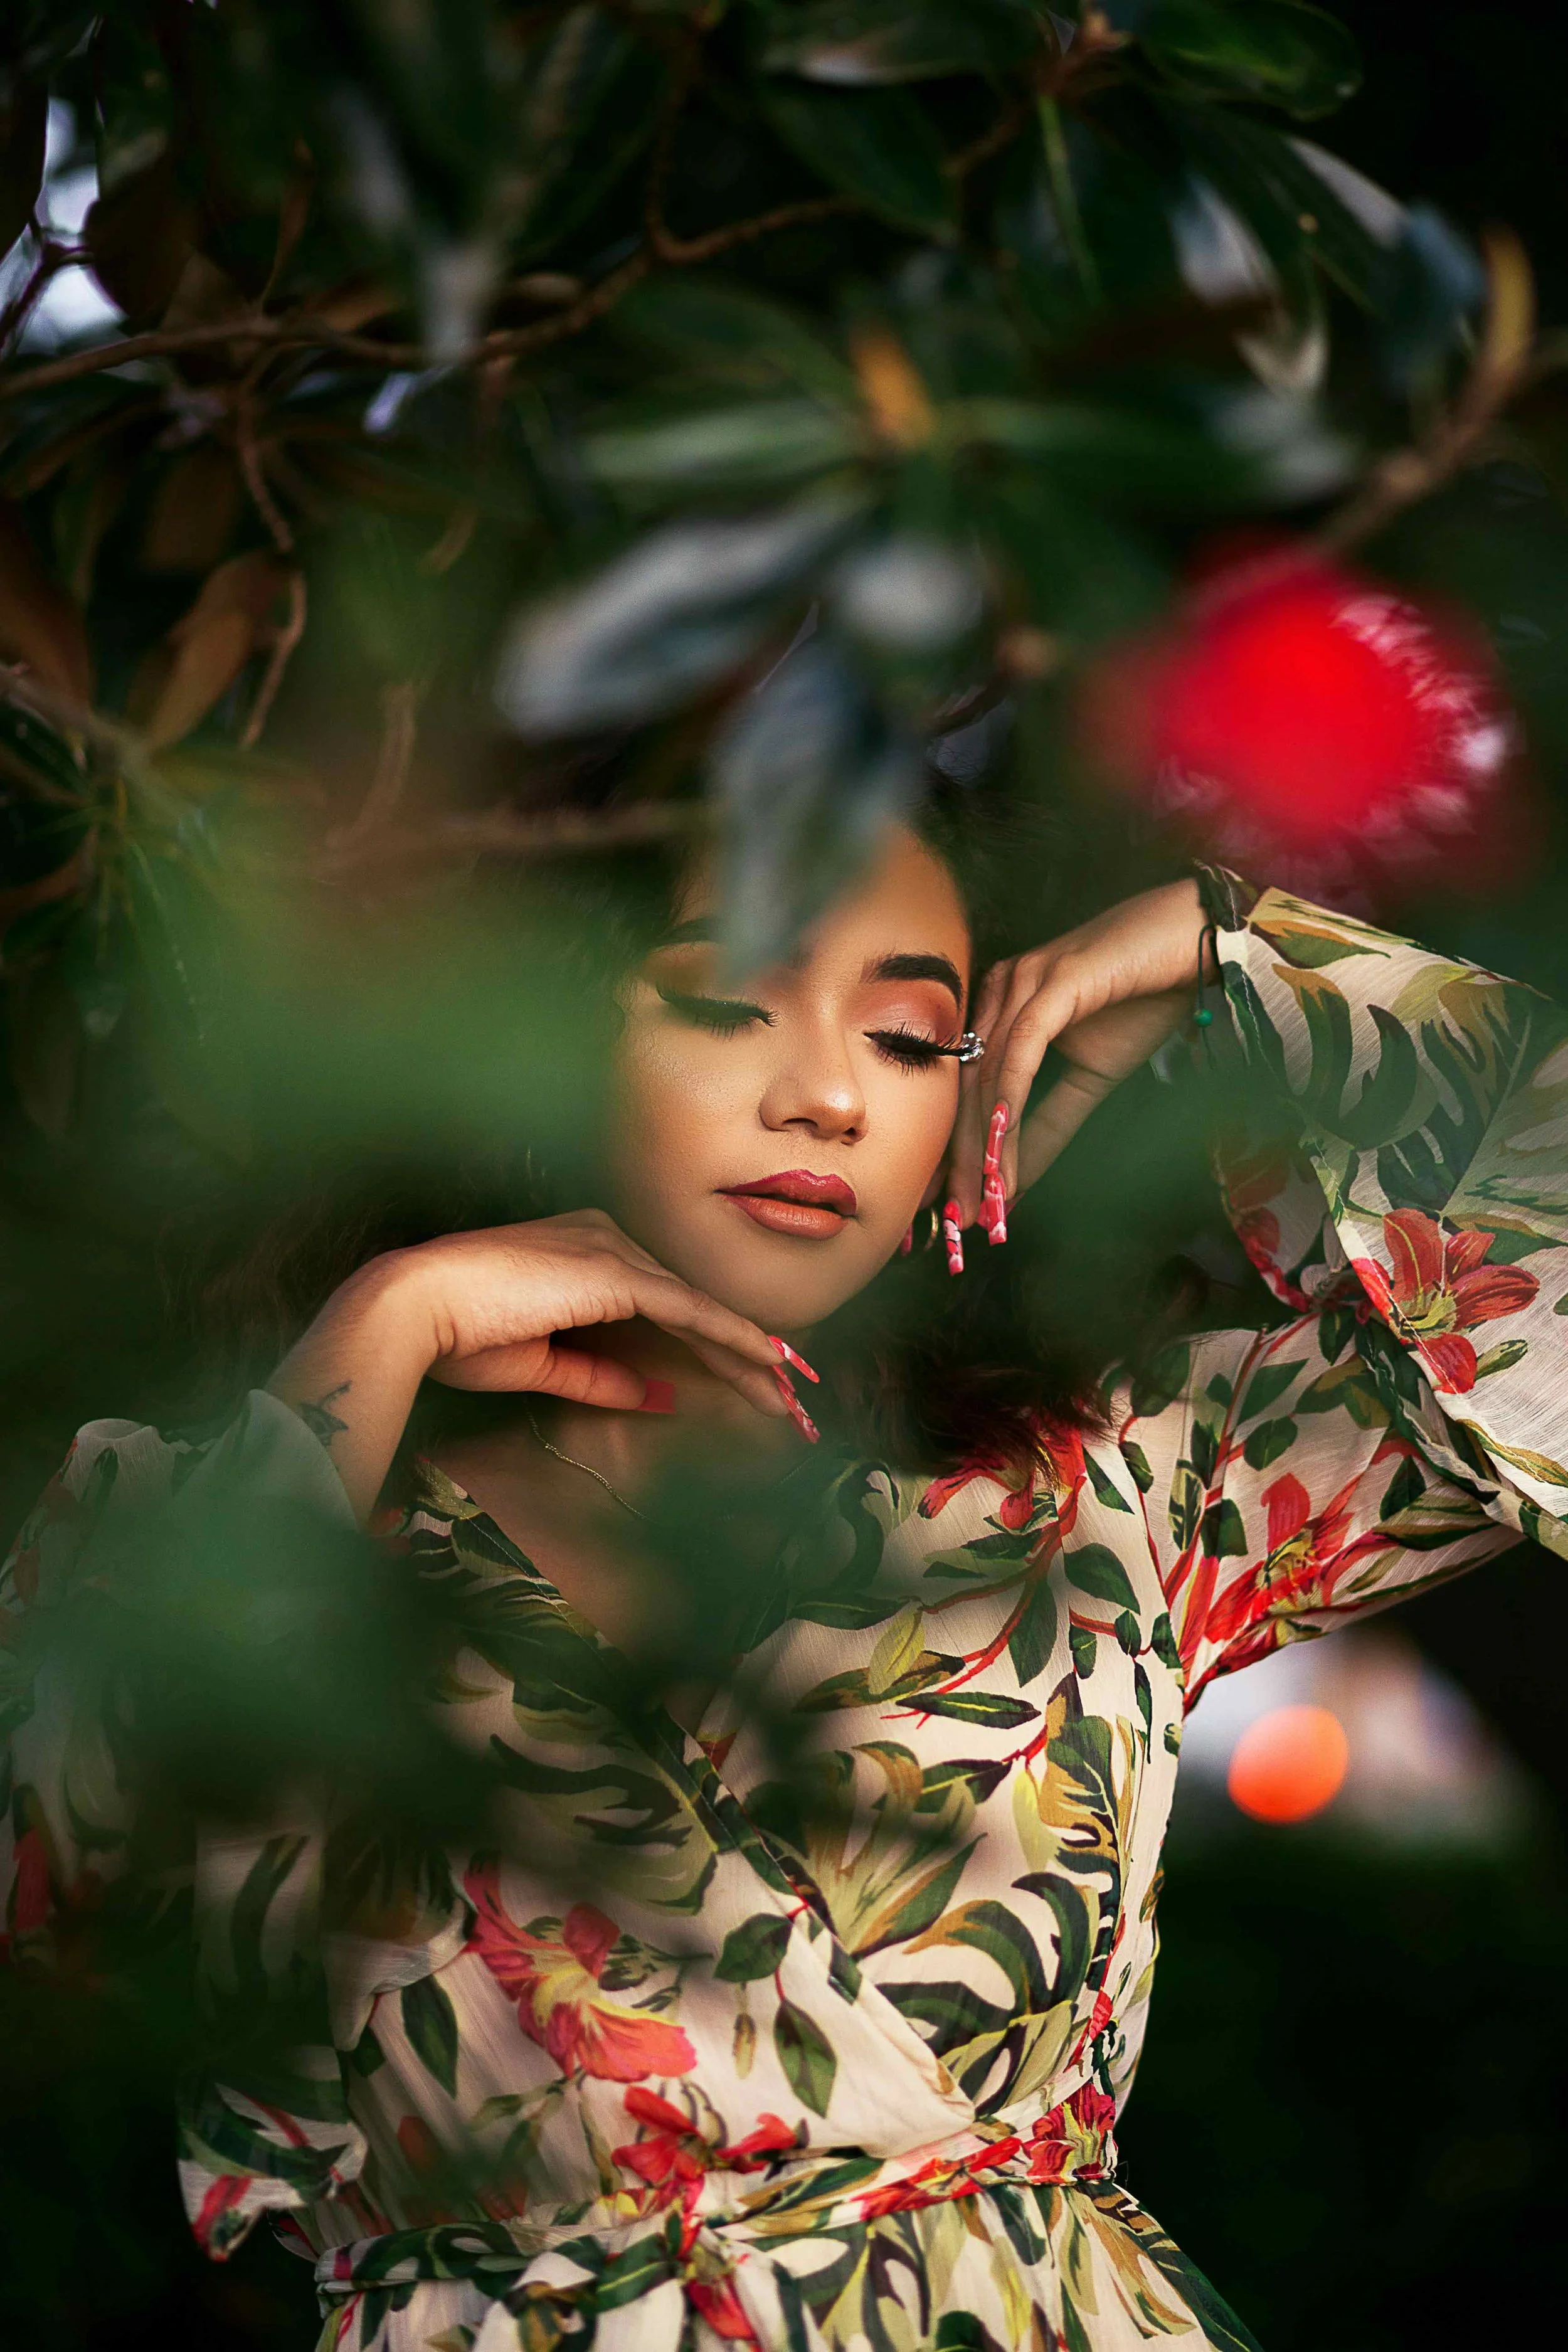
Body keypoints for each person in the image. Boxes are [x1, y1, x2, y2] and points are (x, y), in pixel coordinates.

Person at [4, 824, 1564, 2352]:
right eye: (724, 1002)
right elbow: (60, 1891)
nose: (826, 1095)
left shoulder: (1116, 1495)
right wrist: (388, 1321)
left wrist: (1230, 956)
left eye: (907, 1039)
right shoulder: (271, 1526)